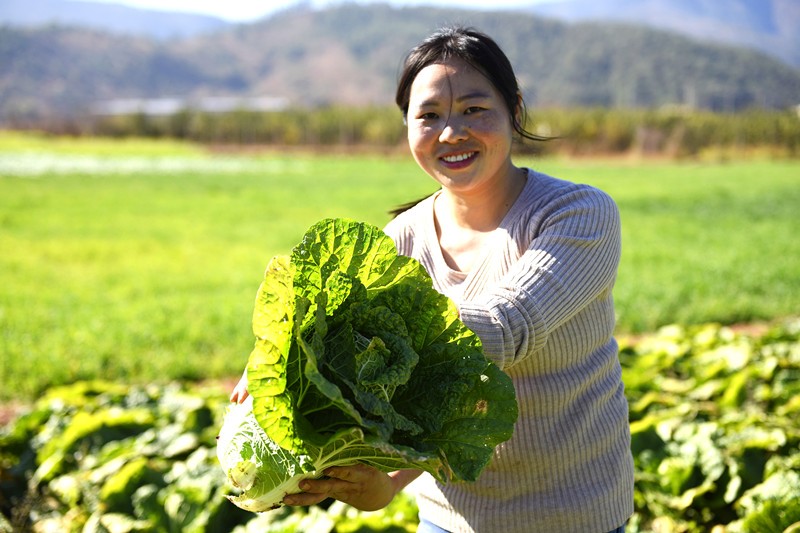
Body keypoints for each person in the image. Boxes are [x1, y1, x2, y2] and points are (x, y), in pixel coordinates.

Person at [230, 26, 634, 533]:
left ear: (514, 109)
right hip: (449, 522)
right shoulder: (399, 242)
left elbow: (505, 329)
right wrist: (382, 482)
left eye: (473, 109)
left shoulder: (577, 213)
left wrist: (310, 340)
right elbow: (406, 412)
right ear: (407, 126)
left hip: (577, 518)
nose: (451, 133)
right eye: (429, 116)